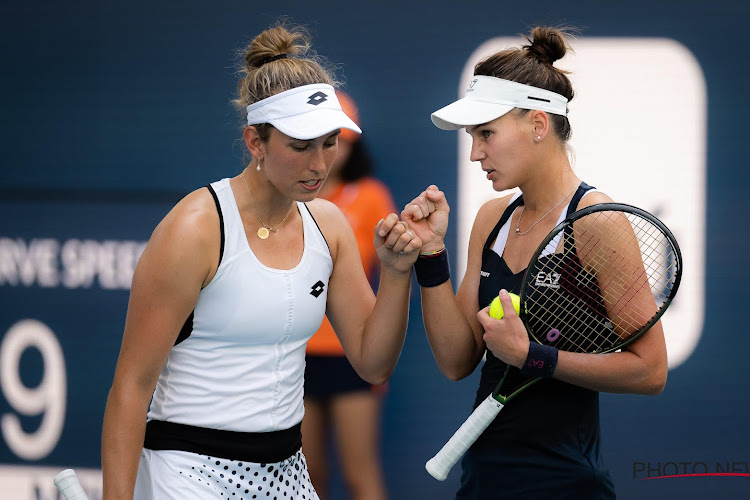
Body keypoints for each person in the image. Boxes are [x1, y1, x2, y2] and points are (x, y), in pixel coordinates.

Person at [101, 22, 420, 500]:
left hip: (286, 473)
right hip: (187, 473)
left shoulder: (329, 226)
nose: (319, 164)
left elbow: (373, 364)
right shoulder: (195, 228)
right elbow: (131, 385)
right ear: (255, 142)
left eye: (329, 142)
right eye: (299, 146)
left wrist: (396, 275)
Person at [401, 27, 668, 499]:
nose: (474, 153)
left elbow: (650, 371)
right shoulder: (491, 218)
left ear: (538, 124)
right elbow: (455, 360)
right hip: (484, 479)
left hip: (565, 484)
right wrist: (430, 255)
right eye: (471, 136)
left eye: (486, 134)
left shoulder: (597, 223)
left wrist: (533, 357)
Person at [302, 90, 393, 500]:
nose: (328, 153)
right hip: (295, 353)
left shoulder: (371, 197)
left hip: (350, 354)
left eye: (337, 141)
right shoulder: (287, 198)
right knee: (308, 476)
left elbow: (390, 276)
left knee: (360, 475)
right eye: (317, 140)